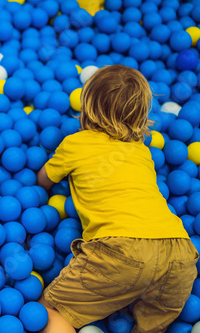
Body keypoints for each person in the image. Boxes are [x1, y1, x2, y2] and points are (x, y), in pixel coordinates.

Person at [36, 65, 199, 333]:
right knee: (150, 326)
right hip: (179, 254)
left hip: (120, 252)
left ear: (87, 108)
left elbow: (44, 179)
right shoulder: (142, 152)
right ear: (140, 118)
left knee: (50, 311)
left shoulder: (75, 143)